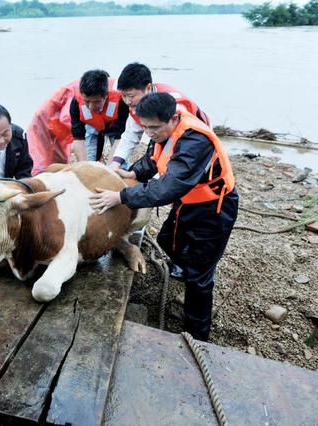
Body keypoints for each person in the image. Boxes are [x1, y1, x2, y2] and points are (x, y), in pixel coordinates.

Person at [89, 93, 238, 341]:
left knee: (199, 279)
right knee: (167, 241)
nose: (149, 133)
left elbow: (169, 186)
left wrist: (122, 197)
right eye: (144, 126)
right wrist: (131, 171)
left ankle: (197, 337)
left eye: (154, 127)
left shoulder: (195, 141)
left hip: (214, 209)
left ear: (173, 118)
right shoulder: (161, 133)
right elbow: (154, 160)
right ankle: (186, 270)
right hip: (188, 204)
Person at [110, 62, 209, 170]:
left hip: (193, 135)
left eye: (131, 96)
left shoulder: (172, 107)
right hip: (167, 136)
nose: (127, 101)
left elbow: (175, 141)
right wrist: (116, 163)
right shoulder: (136, 105)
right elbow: (130, 136)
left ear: (148, 88)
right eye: (124, 96)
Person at [27, 70, 128, 175]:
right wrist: (85, 170)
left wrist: (110, 169)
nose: (90, 107)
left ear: (106, 95)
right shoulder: (76, 102)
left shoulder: (120, 101)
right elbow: (78, 140)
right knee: (88, 163)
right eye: (87, 101)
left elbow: (120, 139)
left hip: (114, 125)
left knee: (120, 164)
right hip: (91, 125)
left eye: (96, 102)